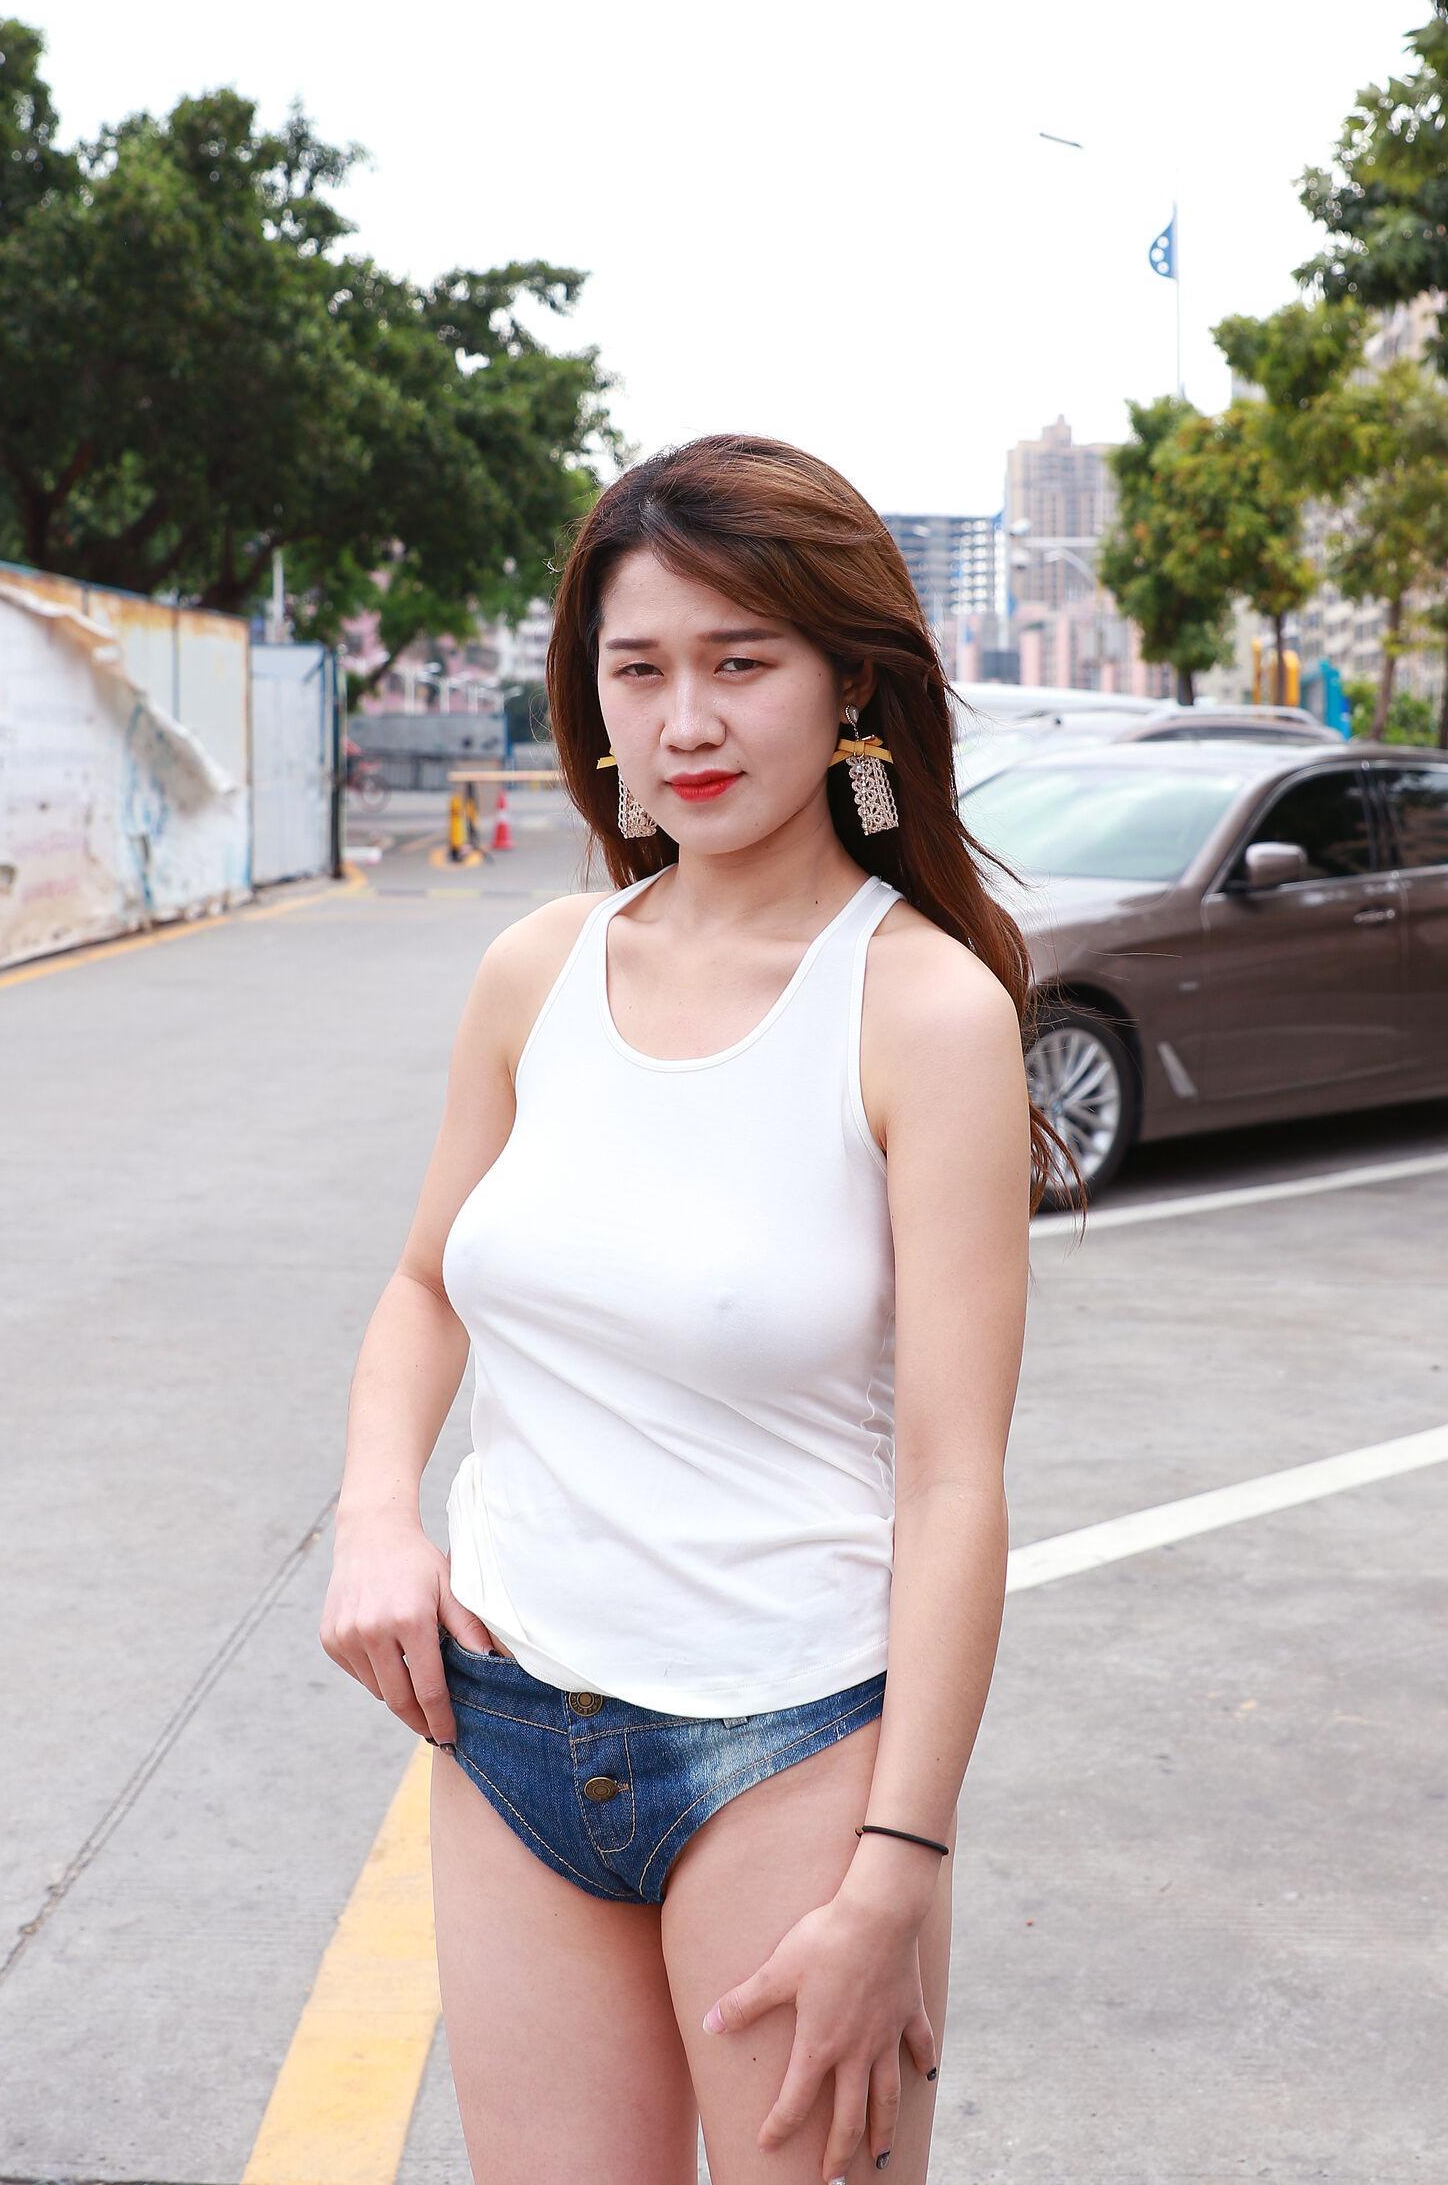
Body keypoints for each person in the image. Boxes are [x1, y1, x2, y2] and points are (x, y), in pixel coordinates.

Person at [320, 433, 1078, 2184]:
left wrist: (897, 1868)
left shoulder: (924, 1011)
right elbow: (425, 1283)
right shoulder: (536, 970)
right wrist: (374, 1518)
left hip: (789, 1752)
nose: (686, 724)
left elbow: (954, 1483)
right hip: (508, 1726)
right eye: (640, 670)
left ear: (851, 681)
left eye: (741, 663)